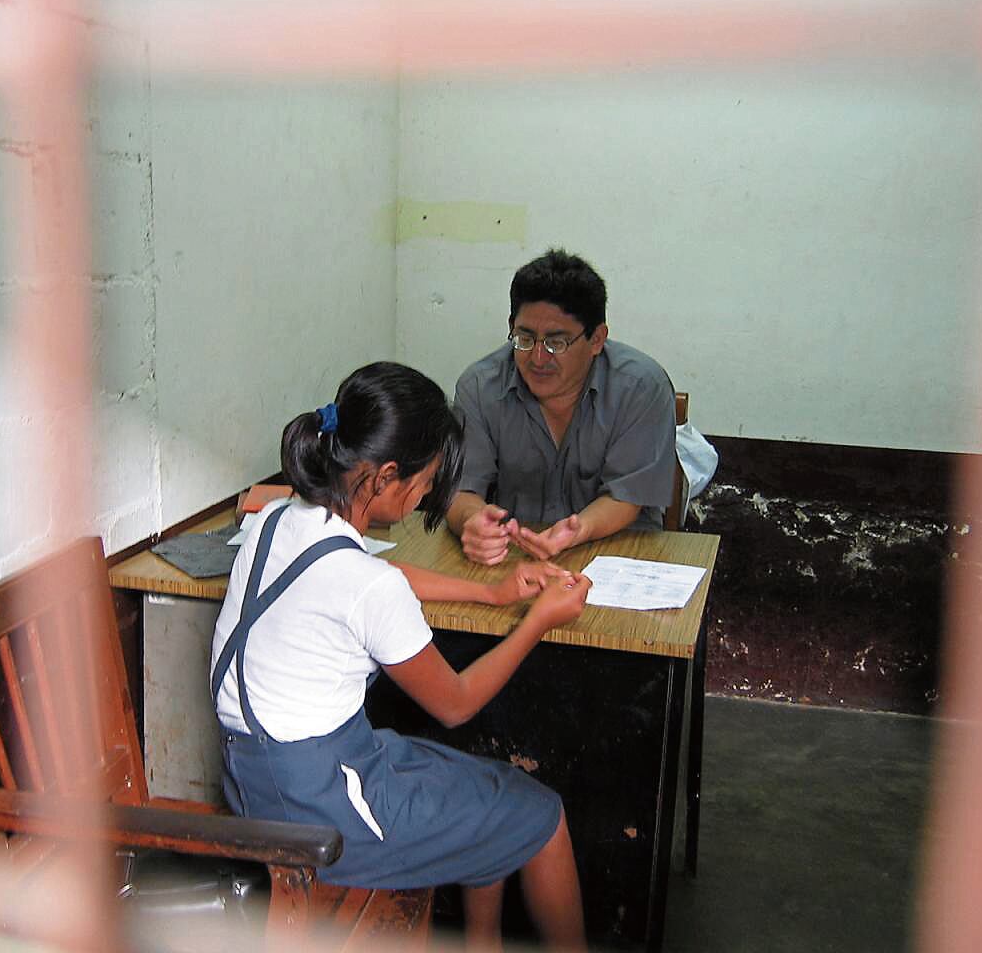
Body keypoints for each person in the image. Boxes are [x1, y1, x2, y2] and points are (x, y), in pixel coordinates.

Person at [211, 362, 590, 951]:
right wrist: (538, 622)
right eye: (424, 483)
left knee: (486, 786)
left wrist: (492, 592)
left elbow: (374, 573)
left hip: (257, 778)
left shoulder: (278, 519)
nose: (422, 499)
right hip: (322, 811)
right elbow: (456, 704)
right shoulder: (366, 586)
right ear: (386, 476)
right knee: (541, 815)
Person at [448, 249, 678, 565]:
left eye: (556, 343)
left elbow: (627, 496)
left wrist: (577, 530)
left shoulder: (640, 387)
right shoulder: (479, 387)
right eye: (525, 338)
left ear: (597, 339)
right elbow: (461, 491)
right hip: (514, 558)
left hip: (616, 556)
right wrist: (472, 522)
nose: (538, 358)